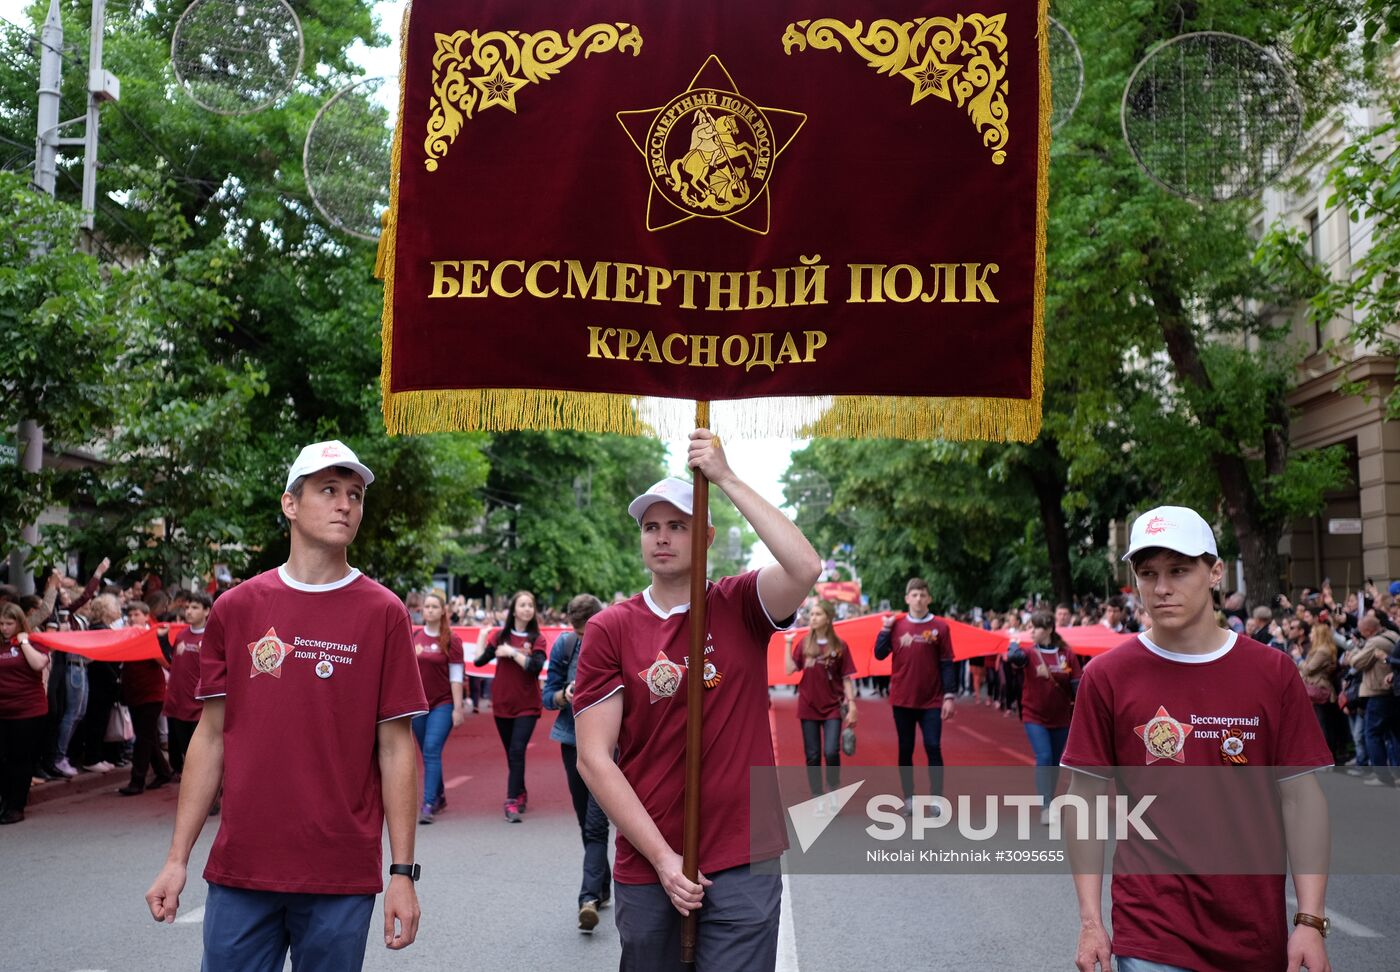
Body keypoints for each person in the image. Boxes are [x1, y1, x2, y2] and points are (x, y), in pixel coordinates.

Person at [144, 439, 427, 970]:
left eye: (355, 494)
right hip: (242, 868)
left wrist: (402, 874)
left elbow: (395, 749)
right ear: (290, 505)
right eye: (329, 490)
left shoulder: (384, 612)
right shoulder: (237, 607)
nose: (346, 504)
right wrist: (176, 859)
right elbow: (210, 737)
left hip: (340, 873)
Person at [574, 433, 820, 971]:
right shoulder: (609, 628)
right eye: (651, 527)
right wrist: (664, 860)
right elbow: (594, 757)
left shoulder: (738, 604)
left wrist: (726, 478)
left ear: (705, 535)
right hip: (648, 860)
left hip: (743, 854)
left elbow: (805, 567)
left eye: (679, 526)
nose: (662, 538)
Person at [1062, 505, 1333, 972]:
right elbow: (1082, 801)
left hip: (1253, 932)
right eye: (1148, 573)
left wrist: (1310, 920)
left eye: (1179, 570)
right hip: (1151, 932)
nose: (1162, 588)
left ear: (1215, 572)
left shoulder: (1273, 672)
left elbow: (1301, 801)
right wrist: (1090, 922)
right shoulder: (1107, 676)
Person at [542, 593, 613, 932]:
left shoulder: (615, 638)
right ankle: (602, 884)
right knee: (586, 821)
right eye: (579, 633)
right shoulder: (564, 646)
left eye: (588, 632)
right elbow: (547, 695)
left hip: (610, 746)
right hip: (573, 741)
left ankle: (588, 898)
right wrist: (563, 695)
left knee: (597, 824)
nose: (584, 638)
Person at [874, 578, 957, 814]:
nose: (919, 599)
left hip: (931, 699)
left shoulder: (941, 627)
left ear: (929, 598)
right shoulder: (896, 625)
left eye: (923, 595)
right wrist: (885, 629)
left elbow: (947, 662)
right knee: (905, 748)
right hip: (902, 698)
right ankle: (909, 797)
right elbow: (879, 655)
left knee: (933, 746)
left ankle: (937, 799)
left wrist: (949, 696)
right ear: (907, 598)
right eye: (914, 595)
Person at [474, 590, 546, 822]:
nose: (527, 609)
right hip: (502, 703)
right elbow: (479, 660)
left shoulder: (537, 638)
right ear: (514, 609)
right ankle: (521, 791)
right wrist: (483, 636)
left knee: (516, 750)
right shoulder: (500, 636)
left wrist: (513, 653)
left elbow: (535, 667)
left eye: (530, 605)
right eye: (523, 605)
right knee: (512, 753)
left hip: (528, 705)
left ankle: (511, 800)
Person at [783, 599, 857, 810]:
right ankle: (817, 795)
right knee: (813, 754)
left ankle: (834, 789)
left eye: (817, 614)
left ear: (828, 618)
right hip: (808, 705)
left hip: (833, 706)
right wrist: (788, 644)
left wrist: (852, 705)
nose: (812, 617)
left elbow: (846, 677)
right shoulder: (804, 644)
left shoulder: (840, 645)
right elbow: (790, 670)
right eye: (812, 614)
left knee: (832, 751)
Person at [1010, 610, 1081, 821]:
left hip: (1060, 717)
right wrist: (1013, 645)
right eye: (1029, 626)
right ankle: (1046, 806)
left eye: (1035, 627)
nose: (1030, 631)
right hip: (1034, 715)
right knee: (1044, 756)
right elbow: (1015, 658)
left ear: (1049, 629)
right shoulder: (1029, 653)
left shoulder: (1066, 654)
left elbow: (1077, 683)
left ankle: (1050, 799)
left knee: (1055, 761)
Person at [411, 591, 464, 823]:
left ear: (443, 611)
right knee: (427, 752)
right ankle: (440, 796)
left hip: (443, 703)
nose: (430, 610)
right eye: (427, 606)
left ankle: (429, 802)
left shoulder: (452, 639)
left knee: (432, 749)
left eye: (434, 606)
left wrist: (458, 708)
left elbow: (456, 676)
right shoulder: (413, 637)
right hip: (418, 705)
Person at [0, 602, 51, 824]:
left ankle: (16, 806)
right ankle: (5, 801)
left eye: (9, 623)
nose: (4, 628)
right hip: (3, 711)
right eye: (1, 623)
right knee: (3, 759)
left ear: (19, 622)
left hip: (28, 711)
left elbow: (39, 663)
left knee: (20, 759)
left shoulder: (34, 641)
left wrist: (24, 642)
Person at [118, 601, 174, 796]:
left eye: (136, 615)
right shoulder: (128, 635)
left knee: (143, 737)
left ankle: (137, 781)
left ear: (145, 616)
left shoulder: (152, 636)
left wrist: (150, 641)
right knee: (147, 735)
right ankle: (163, 771)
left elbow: (165, 662)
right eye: (130, 615)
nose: (133, 619)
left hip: (152, 693)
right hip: (133, 691)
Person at [162, 591, 211, 777]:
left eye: (195, 607)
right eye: (187, 607)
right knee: (185, 752)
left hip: (199, 707)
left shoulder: (211, 636)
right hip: (178, 703)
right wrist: (161, 640)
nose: (189, 612)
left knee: (200, 756)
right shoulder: (181, 635)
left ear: (207, 611)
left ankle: (210, 799)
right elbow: (172, 663)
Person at [1352, 612, 1398, 786]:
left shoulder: (1374, 642)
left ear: (1369, 630)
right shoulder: (1393, 635)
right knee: (1394, 734)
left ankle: (1382, 776)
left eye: (1362, 631)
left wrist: (1355, 654)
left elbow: (1357, 663)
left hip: (1378, 692)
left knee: (1372, 734)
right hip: (1392, 692)